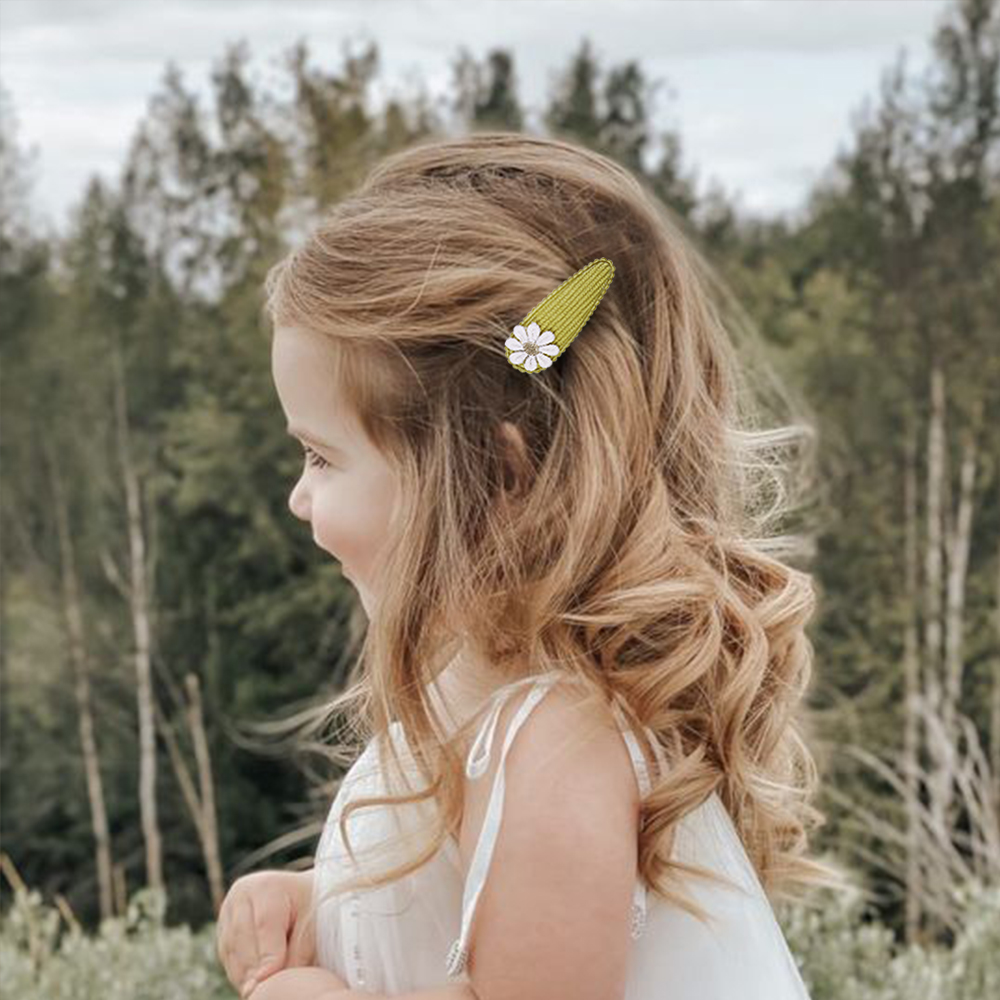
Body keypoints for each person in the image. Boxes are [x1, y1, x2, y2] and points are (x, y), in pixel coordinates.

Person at [217, 132, 849, 1000]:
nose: (298, 497)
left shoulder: (557, 743)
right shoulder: (477, 696)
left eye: (322, 459)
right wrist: (314, 905)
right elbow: (473, 924)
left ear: (499, 475)